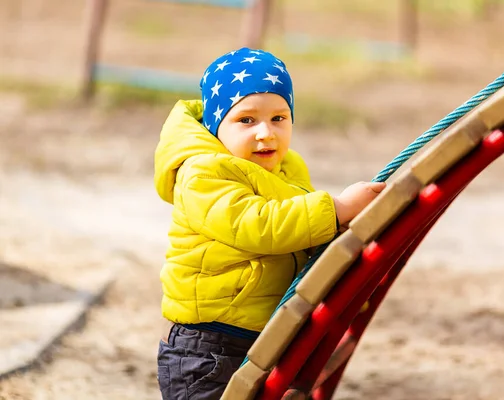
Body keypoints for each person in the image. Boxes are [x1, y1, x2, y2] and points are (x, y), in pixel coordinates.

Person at [154, 47, 385, 400]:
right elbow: (256, 227)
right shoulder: (204, 172)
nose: (266, 133)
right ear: (216, 125)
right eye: (246, 120)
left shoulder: (288, 168)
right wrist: (335, 209)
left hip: (257, 336)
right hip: (209, 347)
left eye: (279, 118)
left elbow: (297, 235)